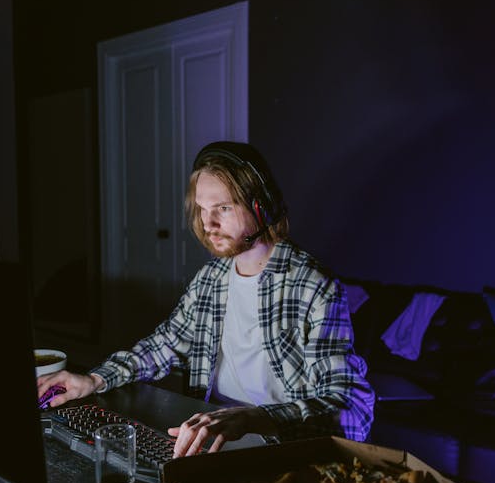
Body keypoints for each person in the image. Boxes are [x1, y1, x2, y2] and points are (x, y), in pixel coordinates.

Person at [37, 141, 375, 458]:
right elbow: (163, 345)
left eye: (223, 208)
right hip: (212, 437)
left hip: (282, 447)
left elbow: (348, 410)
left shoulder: (313, 286)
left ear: (262, 205)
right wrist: (94, 379)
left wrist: (252, 419)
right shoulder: (210, 280)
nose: (208, 223)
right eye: (202, 209)